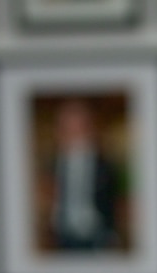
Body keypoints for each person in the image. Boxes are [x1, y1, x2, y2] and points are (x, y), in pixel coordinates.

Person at [48, 98, 119, 251]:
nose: (74, 134)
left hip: (97, 235)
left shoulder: (104, 165)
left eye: (79, 127)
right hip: (61, 235)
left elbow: (113, 200)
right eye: (67, 128)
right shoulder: (53, 165)